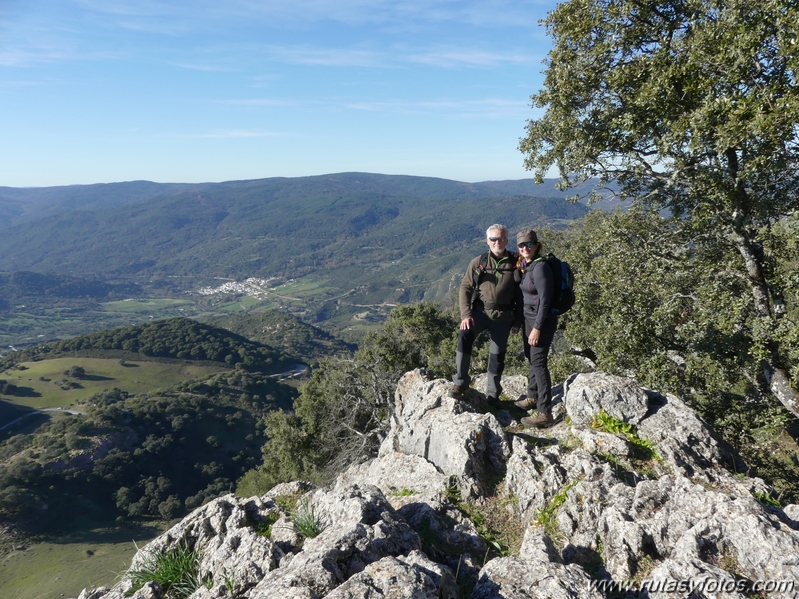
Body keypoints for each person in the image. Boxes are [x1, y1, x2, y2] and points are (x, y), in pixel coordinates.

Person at [450, 224, 522, 403]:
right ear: (487, 241)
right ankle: (461, 382)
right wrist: (466, 315)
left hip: (504, 316)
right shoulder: (479, 262)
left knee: (497, 355)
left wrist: (518, 320)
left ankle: (493, 396)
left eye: (502, 239)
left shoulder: (517, 262)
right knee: (464, 335)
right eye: (494, 239)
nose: (498, 242)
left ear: (507, 240)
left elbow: (524, 293)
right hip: (480, 313)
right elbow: (465, 287)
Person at [514, 229, 556, 428]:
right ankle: (532, 396)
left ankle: (545, 412)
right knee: (531, 357)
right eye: (521, 245)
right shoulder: (525, 265)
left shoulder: (540, 268)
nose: (525, 248)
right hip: (528, 319)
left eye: (529, 244)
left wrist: (537, 328)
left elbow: (545, 300)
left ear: (537, 245)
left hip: (542, 321)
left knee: (539, 363)